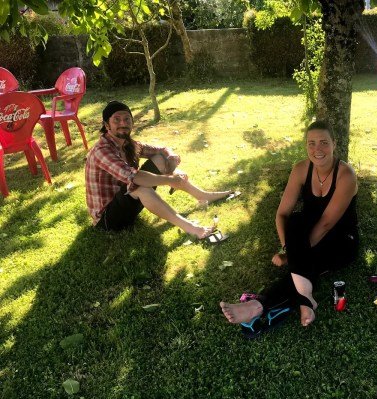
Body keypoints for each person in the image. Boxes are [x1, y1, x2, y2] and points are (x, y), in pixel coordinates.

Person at [220, 120, 359, 329]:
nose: (317, 149)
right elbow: (282, 214)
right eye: (311, 143)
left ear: (334, 144)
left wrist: (295, 256)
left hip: (341, 239)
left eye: (323, 142)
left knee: (306, 263)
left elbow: (326, 224)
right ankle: (305, 300)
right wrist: (289, 249)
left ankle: (258, 306)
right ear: (306, 145)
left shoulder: (346, 175)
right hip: (307, 232)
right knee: (294, 221)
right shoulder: (301, 169)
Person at [85, 101, 232, 236]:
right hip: (107, 220)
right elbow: (134, 177)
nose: (123, 123)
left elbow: (162, 150)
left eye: (127, 119)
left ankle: (202, 196)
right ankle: (192, 228)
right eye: (117, 119)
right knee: (138, 186)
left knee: (160, 159)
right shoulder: (102, 151)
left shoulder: (128, 144)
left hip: (125, 205)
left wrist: (171, 158)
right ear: (107, 125)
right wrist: (170, 179)